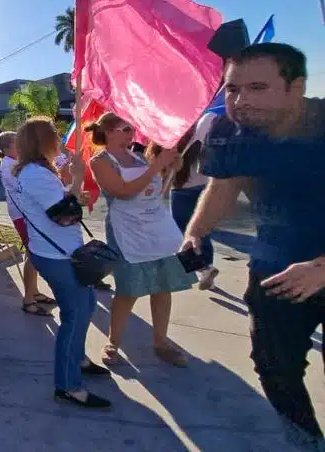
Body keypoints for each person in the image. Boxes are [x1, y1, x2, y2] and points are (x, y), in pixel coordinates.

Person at [181, 43, 325, 449]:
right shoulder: (229, 131)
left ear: (296, 87)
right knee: (274, 366)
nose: (241, 101)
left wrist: (320, 269)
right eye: (232, 89)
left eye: (257, 87)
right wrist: (196, 232)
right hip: (275, 268)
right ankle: (306, 442)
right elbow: (223, 187)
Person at [10, 118, 111, 409]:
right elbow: (63, 215)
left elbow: (57, 204)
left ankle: (77, 359)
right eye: (54, 134)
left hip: (62, 252)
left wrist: (70, 187)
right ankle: (68, 385)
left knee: (87, 305)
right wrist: (78, 179)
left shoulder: (38, 171)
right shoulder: (34, 174)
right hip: (57, 256)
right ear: (42, 141)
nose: (58, 137)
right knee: (74, 316)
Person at [86, 112, 194, 368]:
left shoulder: (138, 155)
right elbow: (123, 192)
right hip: (127, 232)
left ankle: (161, 342)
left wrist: (170, 170)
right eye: (124, 129)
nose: (131, 134)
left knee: (162, 286)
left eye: (131, 129)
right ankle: (113, 342)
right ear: (109, 132)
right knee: (127, 290)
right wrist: (156, 167)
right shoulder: (100, 161)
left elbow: (153, 191)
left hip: (155, 228)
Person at [151, 113, 220, 290]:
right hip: (204, 187)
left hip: (181, 191)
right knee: (200, 229)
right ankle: (206, 267)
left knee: (182, 231)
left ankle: (202, 267)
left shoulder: (168, 142)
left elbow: (161, 172)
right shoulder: (200, 133)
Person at [0, 131, 55, 317]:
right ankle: (28, 299)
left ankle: (34, 292)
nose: (21, 146)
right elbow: (22, 186)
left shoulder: (18, 163)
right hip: (21, 214)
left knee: (34, 253)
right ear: (7, 148)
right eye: (17, 143)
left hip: (27, 213)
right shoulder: (8, 165)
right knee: (32, 253)